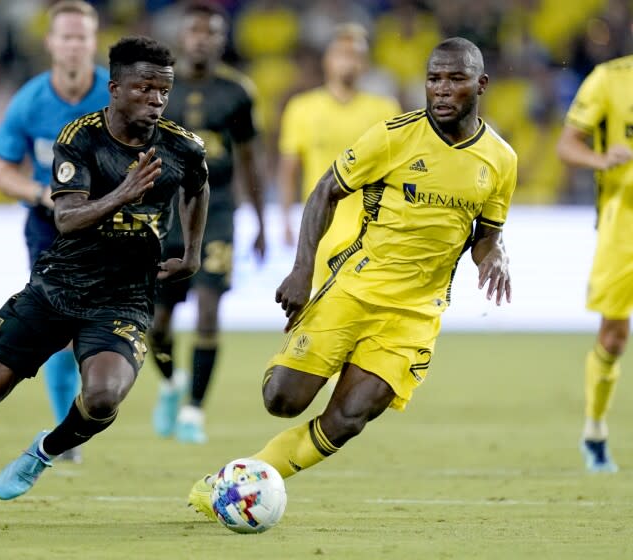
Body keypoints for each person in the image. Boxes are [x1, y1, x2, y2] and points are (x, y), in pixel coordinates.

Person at [187, 37, 517, 518]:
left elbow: (487, 232)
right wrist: (303, 270)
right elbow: (325, 191)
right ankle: (306, 357)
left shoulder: (500, 160)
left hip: (414, 315)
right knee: (281, 400)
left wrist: (496, 254)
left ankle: (230, 483)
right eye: (434, 79)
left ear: (481, 84)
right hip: (352, 290)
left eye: (456, 79)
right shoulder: (392, 136)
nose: (442, 90)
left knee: (347, 420)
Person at [0, 36, 209, 530]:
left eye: (163, 91)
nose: (156, 100)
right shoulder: (80, 138)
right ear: (116, 88)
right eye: (145, 88)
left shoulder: (181, 145)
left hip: (124, 297)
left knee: (104, 398)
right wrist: (124, 193)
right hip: (58, 286)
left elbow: (198, 183)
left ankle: (45, 450)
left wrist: (191, 253)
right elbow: (66, 219)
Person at [0, 0, 109, 462]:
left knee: (98, 328)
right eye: (67, 36)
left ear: (92, 42)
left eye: (82, 37)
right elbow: (0, 171)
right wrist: (43, 195)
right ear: (51, 43)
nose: (75, 45)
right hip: (48, 226)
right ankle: (68, 436)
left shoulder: (114, 96)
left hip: (107, 223)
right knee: (59, 329)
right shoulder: (30, 101)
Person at [150, 0, 266, 445]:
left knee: (208, 310)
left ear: (222, 39)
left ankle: (195, 411)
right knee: (157, 323)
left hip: (216, 213)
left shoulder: (237, 91)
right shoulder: (161, 89)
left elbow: (251, 158)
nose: (202, 39)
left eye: (211, 32)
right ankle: (169, 383)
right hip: (165, 214)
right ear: (183, 37)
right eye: (195, 31)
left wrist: (258, 219)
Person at [556, 32, 633, 473]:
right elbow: (566, 146)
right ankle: (596, 430)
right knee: (613, 338)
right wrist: (601, 160)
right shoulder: (609, 79)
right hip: (622, 227)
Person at [277, 23, 400, 289]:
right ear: (327, 61)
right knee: (318, 311)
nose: (349, 62)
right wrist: (285, 218)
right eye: (343, 54)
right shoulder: (302, 108)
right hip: (321, 227)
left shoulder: (385, 109)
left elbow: (397, 172)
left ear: (366, 64)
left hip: (370, 230)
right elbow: (289, 169)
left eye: (356, 56)